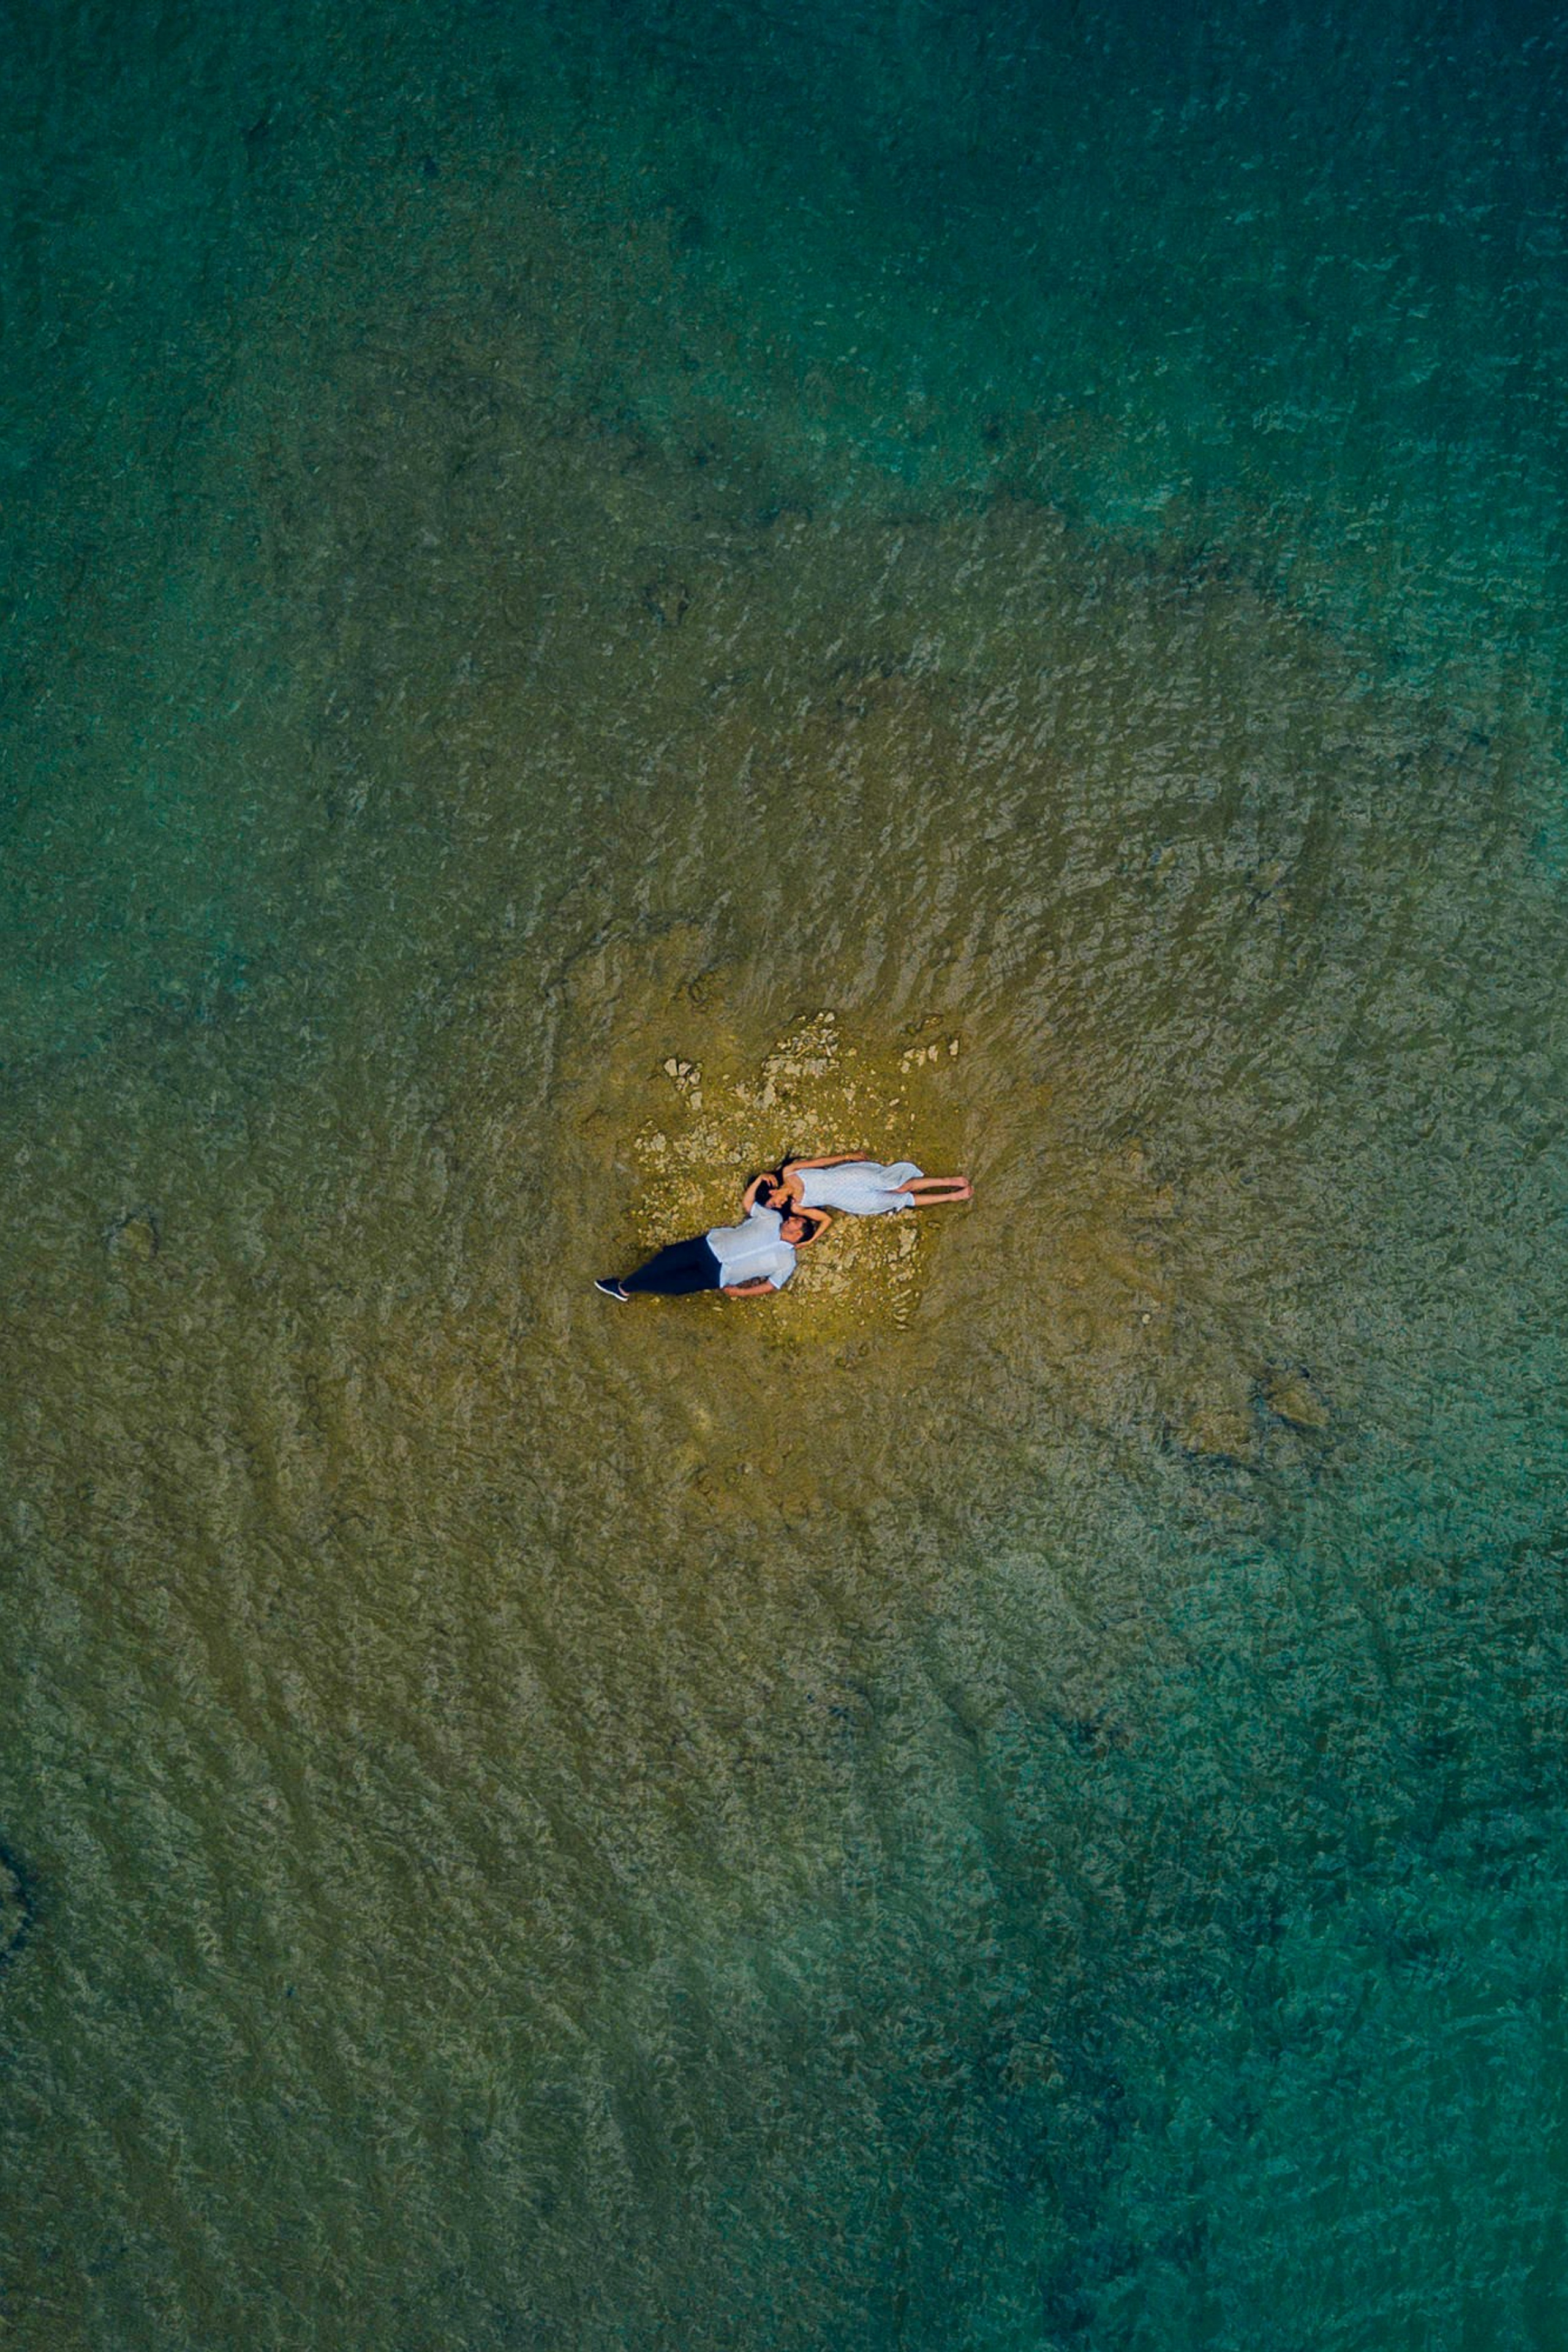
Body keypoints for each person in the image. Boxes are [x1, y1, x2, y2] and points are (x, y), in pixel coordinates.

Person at [595, 1199, 831, 1302]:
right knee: (664, 1262)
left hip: (718, 1276)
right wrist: (759, 1181)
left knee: (674, 1287)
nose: (791, 1219)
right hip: (708, 1247)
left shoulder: (787, 1261)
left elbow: (772, 1285)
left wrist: (741, 1293)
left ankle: (626, 1288)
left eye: (796, 1222)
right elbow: (749, 1204)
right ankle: (623, 1287)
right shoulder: (772, 1218)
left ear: (799, 1234)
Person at [742, 1154, 973, 1218]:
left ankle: (948, 1182)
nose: (779, 1204)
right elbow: (748, 1206)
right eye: (776, 1206)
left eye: (774, 1202)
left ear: (773, 1191)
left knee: (897, 1185)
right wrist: (811, 1239)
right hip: (850, 1201)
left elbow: (820, 1163)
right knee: (899, 1199)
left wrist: (848, 1156)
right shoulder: (797, 1207)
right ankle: (951, 1198)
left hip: (848, 1177)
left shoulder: (790, 1172)